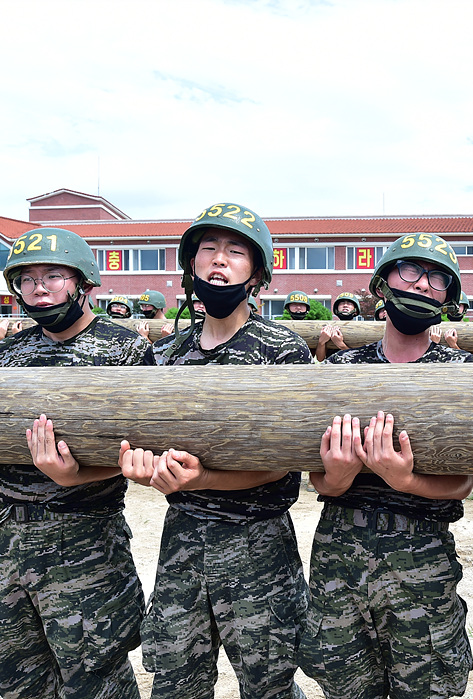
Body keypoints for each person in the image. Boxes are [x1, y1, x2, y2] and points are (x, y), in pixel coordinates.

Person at [118, 203, 311, 699]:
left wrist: (205, 479)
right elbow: (146, 437)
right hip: (182, 536)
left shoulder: (282, 349)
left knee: (268, 681)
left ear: (257, 273)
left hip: (257, 540)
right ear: (191, 267)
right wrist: (144, 467)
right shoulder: (165, 355)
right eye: (208, 250)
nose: (219, 261)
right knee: (177, 680)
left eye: (235, 252)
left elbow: (284, 462)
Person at [299, 232, 473, 699]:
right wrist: (336, 478)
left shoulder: (462, 370)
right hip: (340, 548)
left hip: (423, 555)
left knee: (426, 682)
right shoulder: (343, 369)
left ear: (448, 300)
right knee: (344, 680)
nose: (422, 285)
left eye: (437, 278)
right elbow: (320, 476)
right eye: (410, 271)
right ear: (381, 285)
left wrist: (406, 480)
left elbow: (461, 481)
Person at [0, 227, 152, 698]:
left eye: (54, 275)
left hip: (82, 539)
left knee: (94, 677)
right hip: (5, 538)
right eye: (28, 278)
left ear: (83, 282)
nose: (40, 288)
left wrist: (76, 475)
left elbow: (142, 447)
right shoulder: (5, 356)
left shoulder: (127, 351)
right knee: (18, 678)